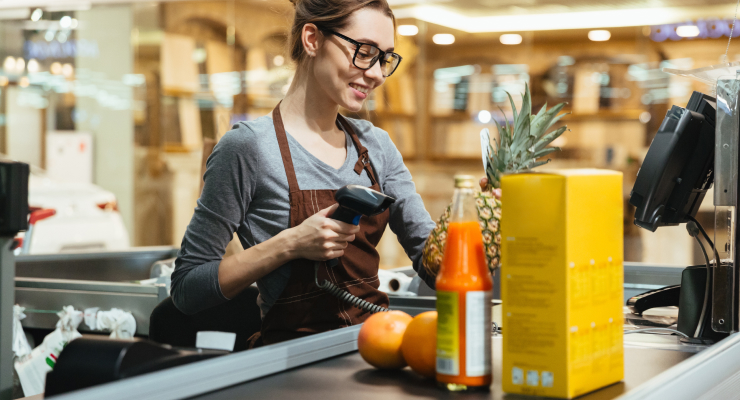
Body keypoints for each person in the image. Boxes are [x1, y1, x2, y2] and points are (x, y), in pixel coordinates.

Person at [171, 0, 439, 346]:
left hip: (375, 351)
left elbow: (436, 268)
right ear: (312, 39)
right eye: (365, 51)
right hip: (290, 365)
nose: (376, 73)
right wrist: (290, 244)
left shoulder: (377, 147)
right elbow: (188, 289)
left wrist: (495, 224)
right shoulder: (248, 148)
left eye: (384, 58)